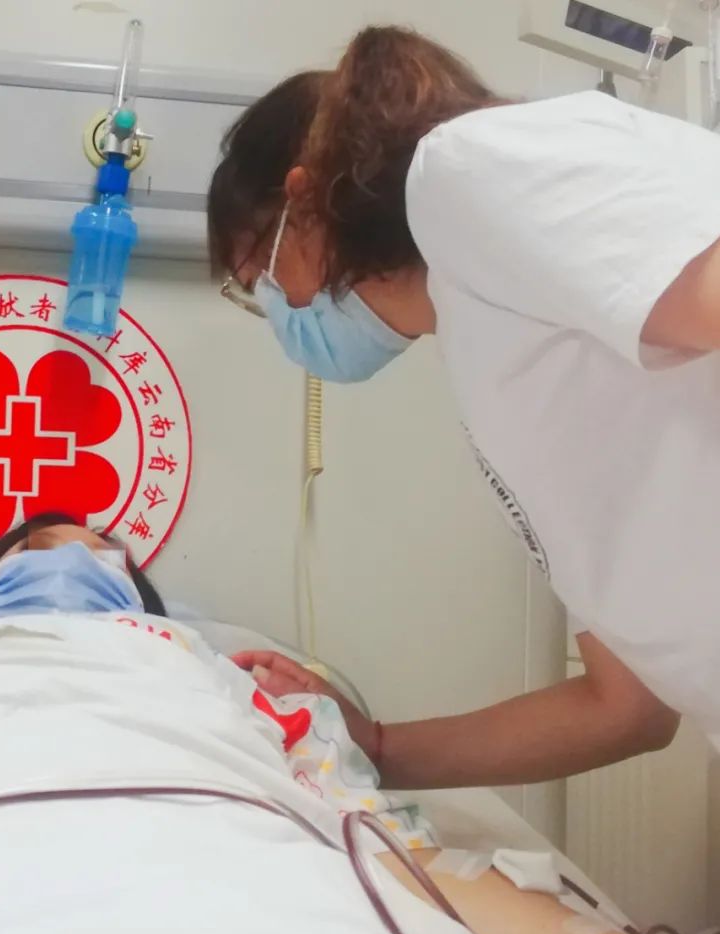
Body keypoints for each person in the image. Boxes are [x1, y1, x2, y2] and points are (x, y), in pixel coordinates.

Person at [0, 513, 638, 934]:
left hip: (206, 822)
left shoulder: (212, 663)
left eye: (97, 552)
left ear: (134, 596)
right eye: (38, 548)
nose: (70, 558)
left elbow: (372, 833)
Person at [207, 26, 720, 788]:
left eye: (264, 280)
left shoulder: (465, 170)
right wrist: (371, 747)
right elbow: (626, 707)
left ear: (304, 201)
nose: (285, 314)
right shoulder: (492, 355)